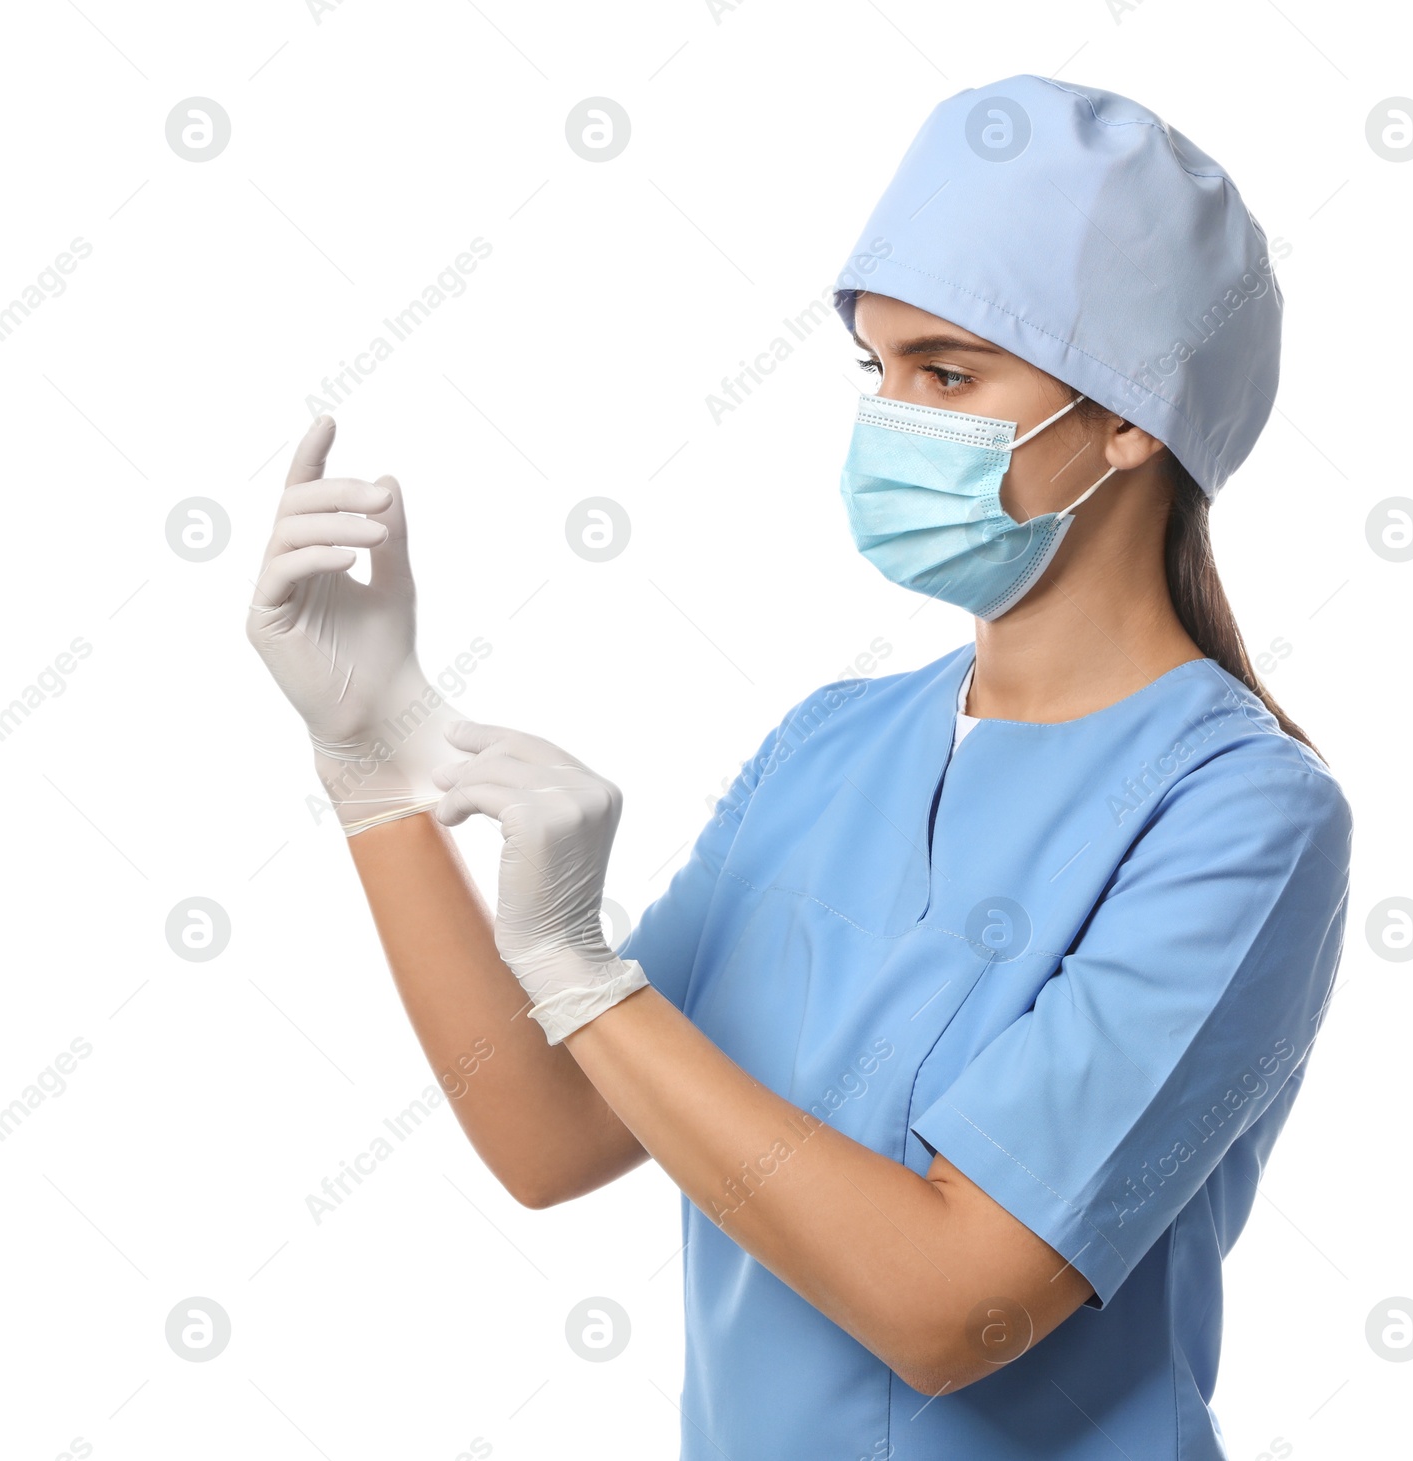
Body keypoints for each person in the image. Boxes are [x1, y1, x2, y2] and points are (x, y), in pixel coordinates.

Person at [246, 75, 1352, 1461]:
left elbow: (955, 1305)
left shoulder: (1241, 814)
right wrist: (380, 771)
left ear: (1132, 414)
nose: (892, 420)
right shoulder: (833, 744)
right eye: (876, 370)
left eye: (946, 373)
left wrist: (586, 968)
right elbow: (557, 1131)